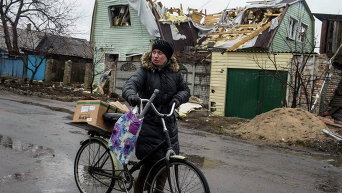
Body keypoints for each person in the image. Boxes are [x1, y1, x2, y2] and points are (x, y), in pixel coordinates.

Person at [122, 39, 190, 193]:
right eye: (154, 52)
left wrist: (178, 98)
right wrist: (132, 95)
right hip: (149, 123)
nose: (156, 56)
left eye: (160, 53)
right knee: (150, 163)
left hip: (168, 124)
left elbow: (185, 90)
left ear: (167, 57)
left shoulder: (175, 73)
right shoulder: (144, 71)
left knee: (166, 163)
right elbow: (130, 84)